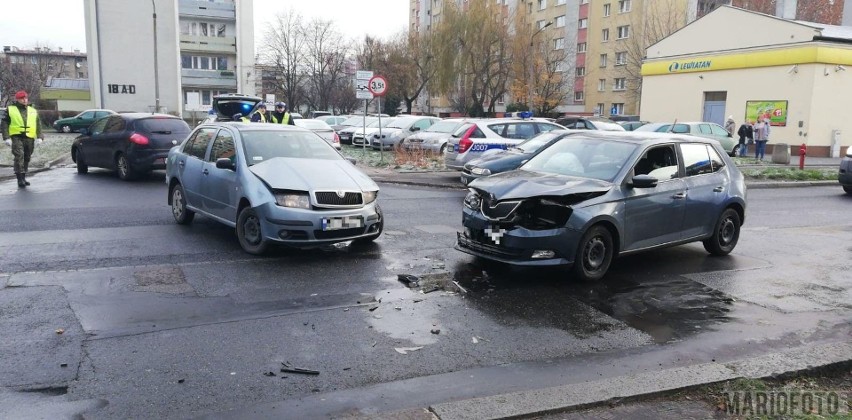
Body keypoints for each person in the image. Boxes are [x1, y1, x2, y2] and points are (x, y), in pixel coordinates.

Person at [2, 90, 44, 188]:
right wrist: (6, 138)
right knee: (19, 156)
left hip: (29, 137)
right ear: (17, 99)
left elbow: (38, 124)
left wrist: (40, 137)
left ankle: (24, 177)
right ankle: (19, 179)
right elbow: (4, 124)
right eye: (22, 98)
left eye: (25, 98)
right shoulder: (10, 109)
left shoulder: (32, 110)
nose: (24, 100)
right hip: (16, 136)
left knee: (27, 157)